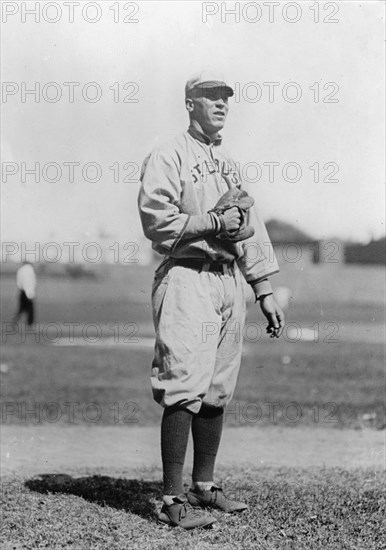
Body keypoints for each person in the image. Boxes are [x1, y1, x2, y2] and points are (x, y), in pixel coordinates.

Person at [138, 70, 284, 530]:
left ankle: (204, 486)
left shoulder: (230, 165)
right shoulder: (168, 155)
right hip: (186, 275)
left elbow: (252, 230)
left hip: (226, 281)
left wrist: (262, 288)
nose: (221, 104)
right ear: (190, 102)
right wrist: (212, 224)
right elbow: (157, 220)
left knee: (219, 387)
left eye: (226, 98)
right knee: (183, 382)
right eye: (211, 97)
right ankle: (169, 497)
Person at [13, 262, 37, 327]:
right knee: (30, 309)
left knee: (22, 308)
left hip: (22, 291)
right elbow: (29, 282)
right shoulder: (29, 270)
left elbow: (19, 282)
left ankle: (15, 321)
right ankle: (30, 324)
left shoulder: (21, 270)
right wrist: (29, 293)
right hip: (27, 292)